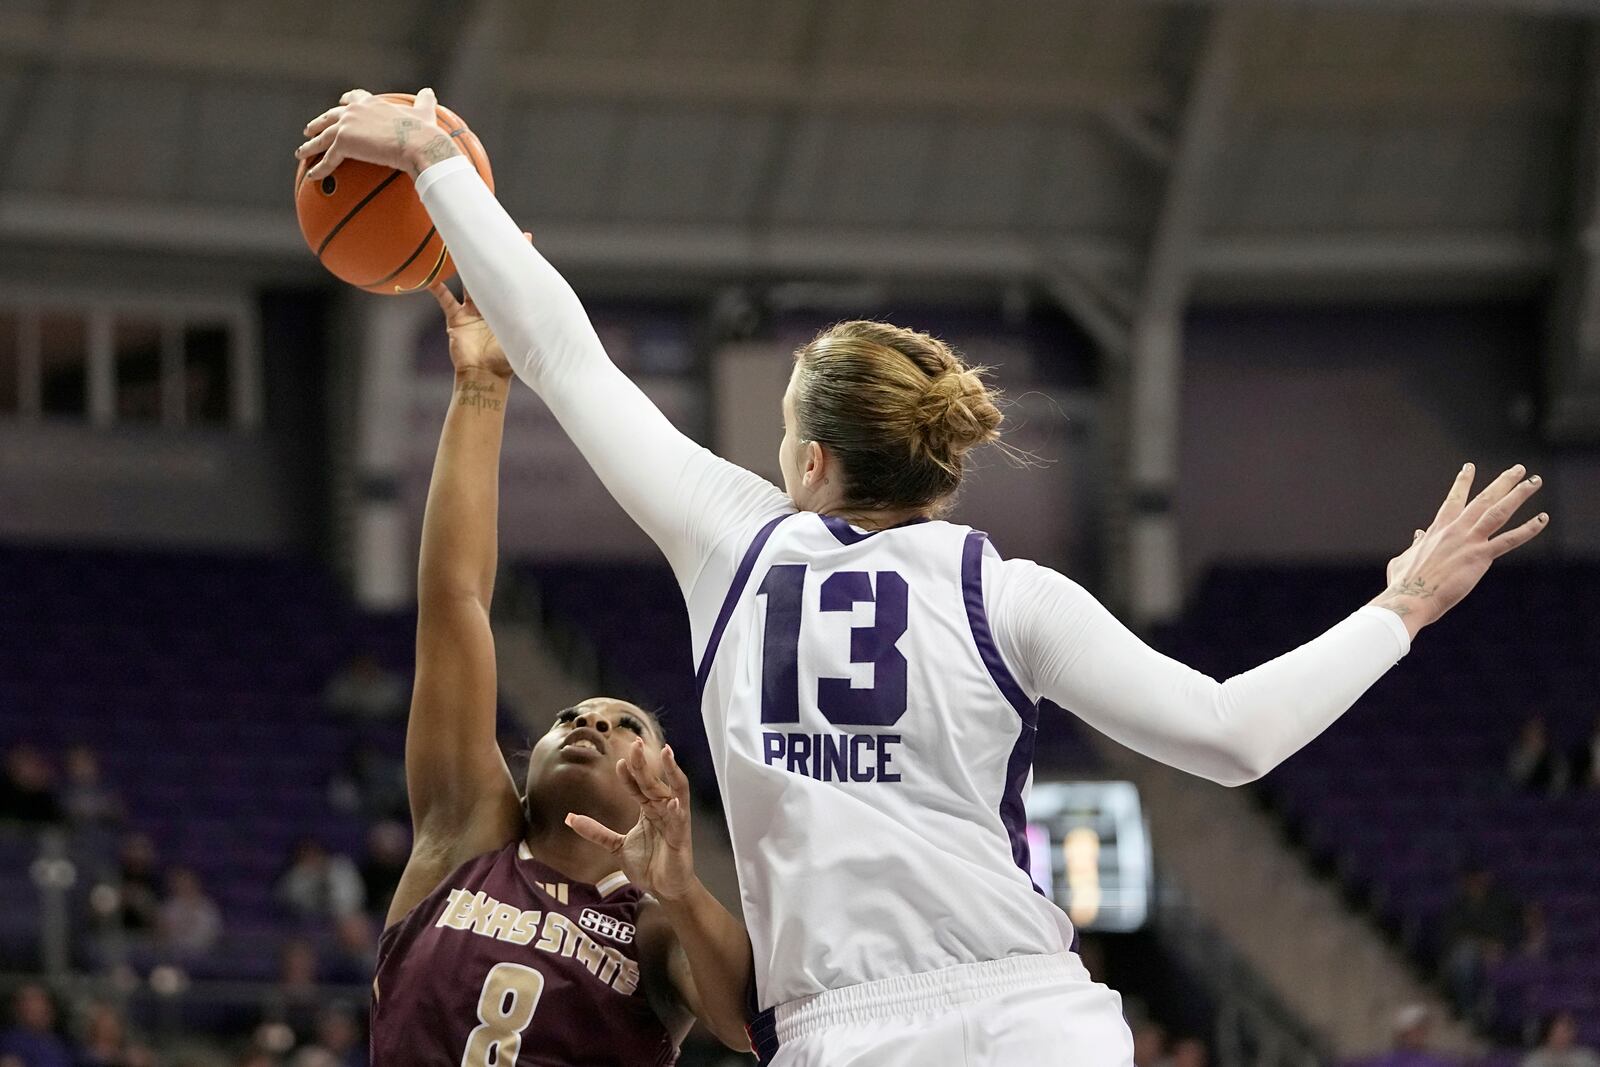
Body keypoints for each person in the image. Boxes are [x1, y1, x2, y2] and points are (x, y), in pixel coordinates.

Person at [299, 89, 1549, 1066]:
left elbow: (563, 356)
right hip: (1037, 1014)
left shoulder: (738, 541)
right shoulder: (1012, 594)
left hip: (853, 1025)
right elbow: (1234, 735)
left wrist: (430, 156)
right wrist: (1403, 604)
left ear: (810, 460)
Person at [347, 247, 750, 1065]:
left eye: (619, 721)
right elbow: (455, 602)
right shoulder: (465, 836)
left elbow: (749, 1027)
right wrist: (481, 386)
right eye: (570, 714)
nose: (585, 720)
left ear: (662, 780)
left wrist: (681, 886)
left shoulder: (655, 917)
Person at [1439, 863, 1522, 1021]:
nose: (1478, 882)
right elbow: (1453, 935)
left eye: (1482, 877)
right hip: (1468, 951)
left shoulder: (1500, 902)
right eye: (1474, 878)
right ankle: (1468, 1009)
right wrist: (1482, 946)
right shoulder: (1458, 905)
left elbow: (1514, 927)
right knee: (1463, 959)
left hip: (1501, 949)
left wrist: (1502, 947)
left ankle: (1496, 1014)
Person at [275, 839, 364, 920]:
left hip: (342, 918)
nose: (312, 859)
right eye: (307, 856)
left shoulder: (341, 868)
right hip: (308, 923)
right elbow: (292, 902)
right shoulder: (294, 878)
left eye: (315, 854)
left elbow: (352, 899)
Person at [1353, 1004, 1457, 1067]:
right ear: (1403, 1033)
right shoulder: (1387, 1061)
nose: (1421, 1034)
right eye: (1417, 1029)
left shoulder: (1435, 1060)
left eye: (1423, 1029)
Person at [157, 866, 223, 956]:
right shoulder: (169, 906)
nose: (184, 885)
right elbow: (162, 933)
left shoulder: (207, 906)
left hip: (204, 954)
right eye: (179, 883)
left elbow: (214, 932)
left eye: (186, 882)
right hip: (174, 953)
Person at [0, 984, 72, 1067]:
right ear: (18, 1010)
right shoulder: (10, 1042)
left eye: (43, 1003)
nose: (40, 1009)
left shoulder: (61, 1042)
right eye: (31, 1006)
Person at [1507, 715, 1568, 795]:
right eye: (1532, 733)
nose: (1536, 737)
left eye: (1539, 733)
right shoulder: (1517, 757)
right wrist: (1533, 755)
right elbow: (1518, 780)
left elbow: (1560, 782)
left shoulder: (1554, 758)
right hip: (1524, 801)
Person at [1523, 1012, 1600, 1067]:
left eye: (1566, 1031)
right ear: (1548, 1033)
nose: (1562, 1036)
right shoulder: (1534, 1060)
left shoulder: (1586, 1058)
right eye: (1557, 1031)